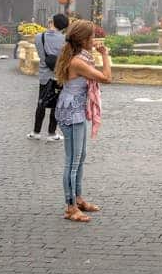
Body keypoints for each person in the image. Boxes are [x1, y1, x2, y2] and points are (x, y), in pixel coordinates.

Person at [53, 19, 112, 223]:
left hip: (75, 109)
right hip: (72, 112)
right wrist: (105, 55)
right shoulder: (78, 61)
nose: (94, 39)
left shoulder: (79, 57)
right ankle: (70, 207)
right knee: (72, 161)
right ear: (84, 39)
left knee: (80, 157)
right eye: (92, 36)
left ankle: (77, 199)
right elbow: (106, 77)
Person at [30, 14, 69, 141]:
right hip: (59, 76)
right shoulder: (65, 40)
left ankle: (36, 132)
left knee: (41, 103)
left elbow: (41, 54)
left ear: (52, 22)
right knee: (56, 105)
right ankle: (52, 133)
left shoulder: (38, 37)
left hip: (44, 76)